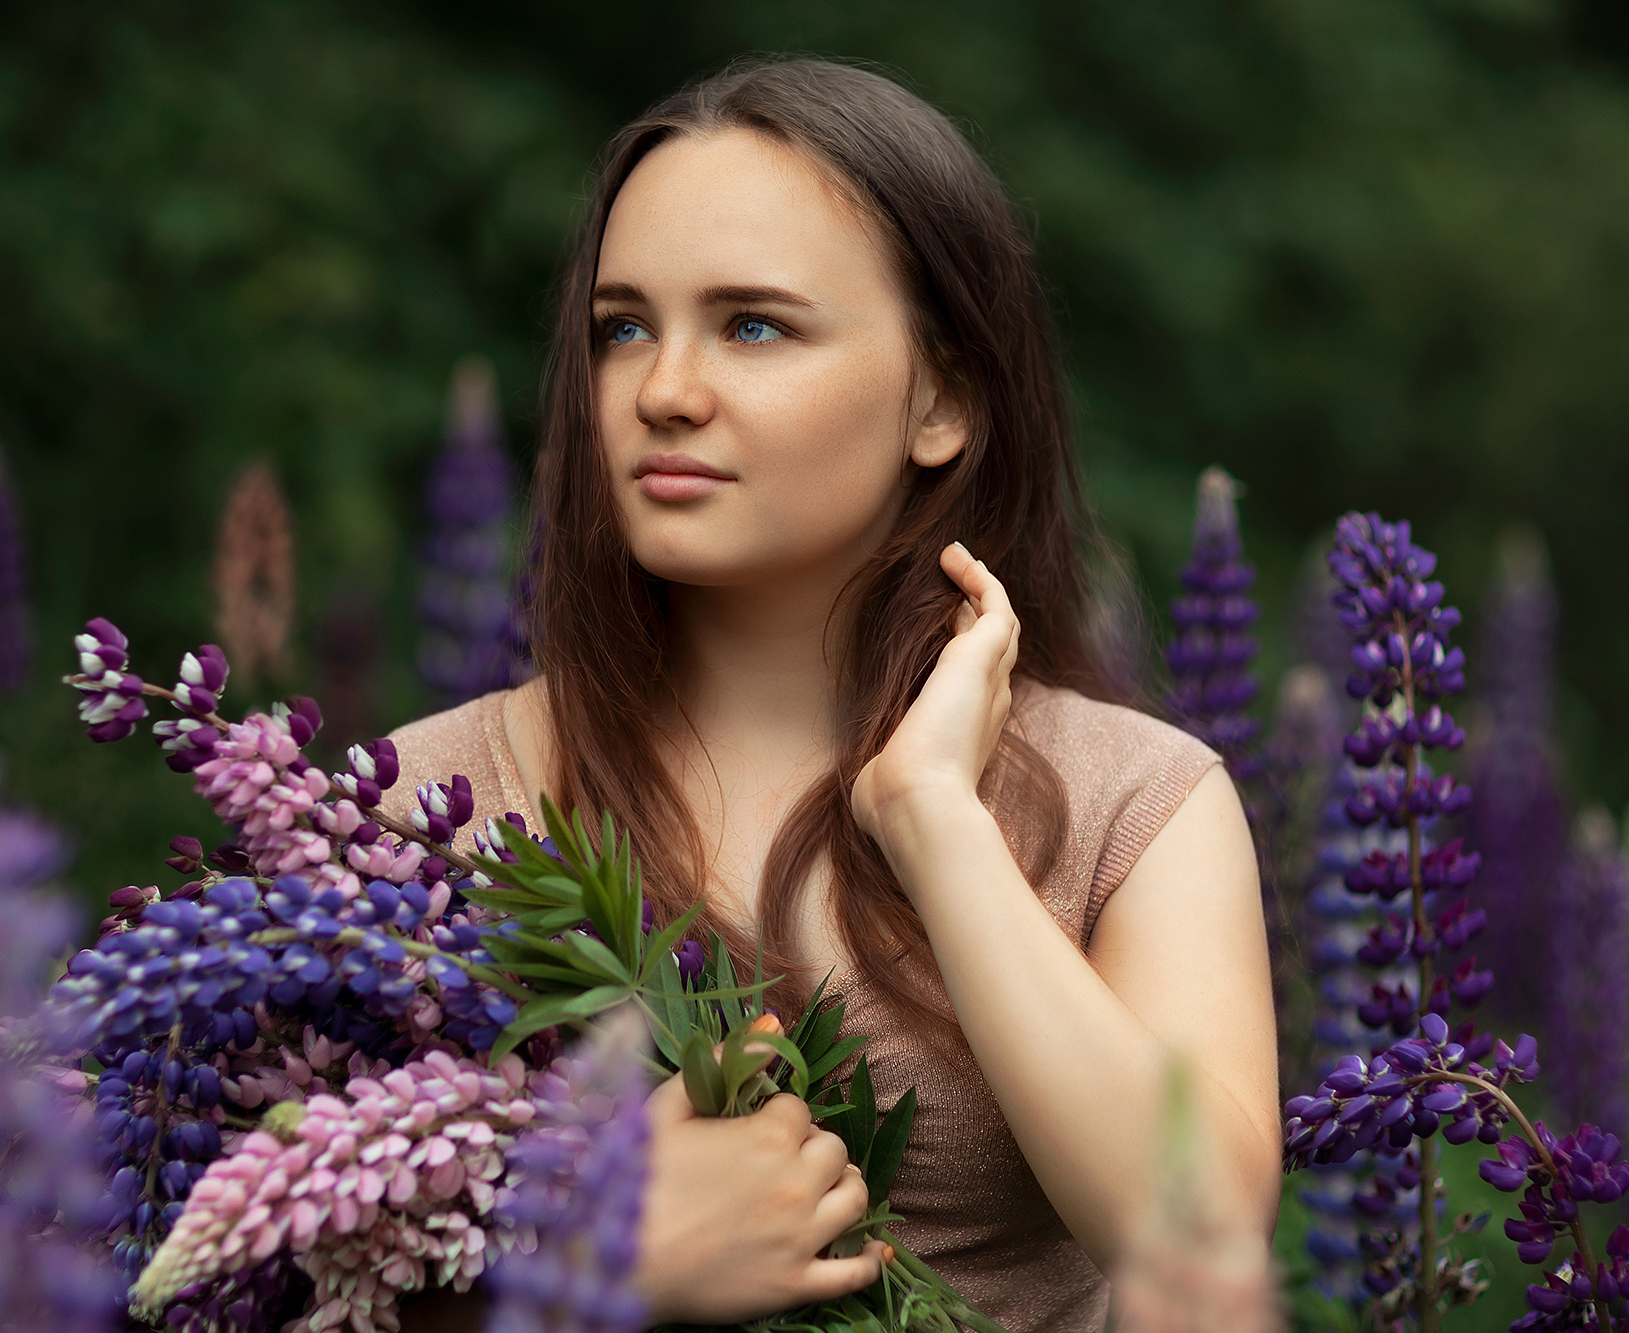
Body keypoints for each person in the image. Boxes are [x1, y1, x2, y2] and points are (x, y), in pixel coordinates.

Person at [385, 57, 1280, 1333]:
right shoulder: (415, 809)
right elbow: (245, 1282)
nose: (662, 392)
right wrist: (592, 1250)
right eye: (622, 326)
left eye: (753, 325)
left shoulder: (1134, 804)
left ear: (943, 399)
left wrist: (934, 821)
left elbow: (1198, 1247)